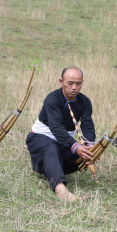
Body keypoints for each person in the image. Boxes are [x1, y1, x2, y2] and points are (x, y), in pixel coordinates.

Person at [25, 67, 96, 201]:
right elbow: (56, 127)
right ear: (61, 82)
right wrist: (76, 147)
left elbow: (87, 124)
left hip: (63, 143)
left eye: (78, 83)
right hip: (40, 139)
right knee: (51, 148)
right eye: (70, 83)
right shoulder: (52, 98)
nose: (74, 87)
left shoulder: (85, 102)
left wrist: (89, 146)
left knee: (81, 157)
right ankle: (60, 188)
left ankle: (52, 168)